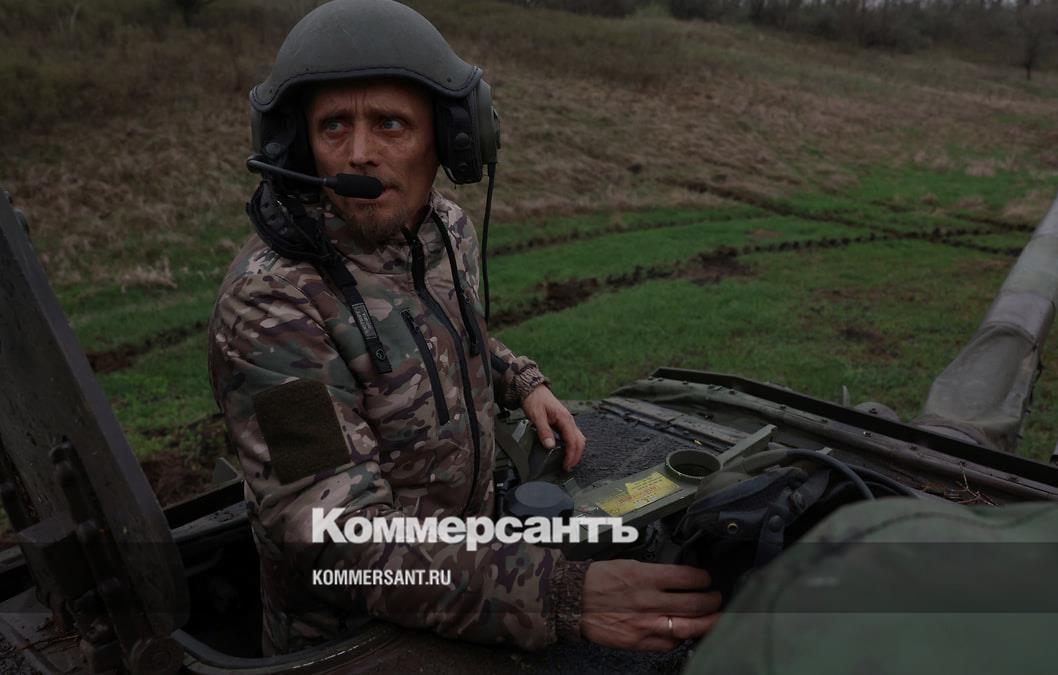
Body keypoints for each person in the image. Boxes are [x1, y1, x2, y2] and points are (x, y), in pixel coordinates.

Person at [207, 0, 720, 657]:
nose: (359, 153)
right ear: (297, 142)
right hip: (359, 644)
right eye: (334, 125)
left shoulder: (444, 231)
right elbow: (336, 540)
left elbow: (447, 330)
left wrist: (520, 379)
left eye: (390, 123)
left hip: (476, 582)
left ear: (451, 139)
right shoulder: (269, 308)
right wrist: (558, 593)